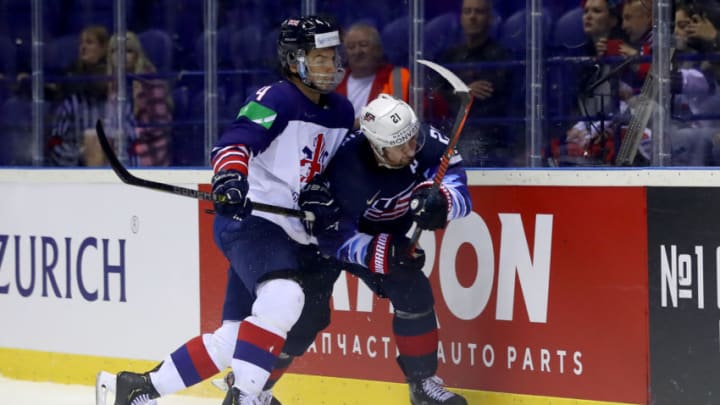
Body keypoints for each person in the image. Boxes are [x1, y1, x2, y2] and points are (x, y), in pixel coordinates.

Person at [106, 15, 353, 405]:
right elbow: (235, 143)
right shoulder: (275, 98)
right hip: (251, 220)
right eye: (319, 58)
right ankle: (247, 397)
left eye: (332, 56)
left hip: (295, 231)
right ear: (293, 61)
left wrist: (326, 198)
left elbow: (343, 169)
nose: (331, 66)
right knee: (285, 296)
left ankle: (138, 387)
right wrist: (230, 180)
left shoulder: (342, 111)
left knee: (236, 337)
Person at [437, 0, 513, 167]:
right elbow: (437, 93)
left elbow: (489, 93)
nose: (472, 17)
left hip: (490, 137)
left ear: (490, 18)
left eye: (478, 12)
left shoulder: (500, 56)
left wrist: (458, 93)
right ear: (461, 17)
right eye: (468, 12)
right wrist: (463, 92)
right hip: (453, 132)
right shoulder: (450, 56)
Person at [46, 25, 110, 166]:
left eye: (89, 42)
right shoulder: (70, 75)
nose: (83, 47)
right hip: (75, 154)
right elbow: (56, 138)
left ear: (103, 47)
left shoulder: (114, 79)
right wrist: (80, 155)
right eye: (81, 43)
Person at [335, 22, 410, 128]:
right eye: (351, 47)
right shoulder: (334, 81)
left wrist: (355, 124)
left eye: (363, 44)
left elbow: (394, 116)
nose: (357, 51)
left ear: (378, 49)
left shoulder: (397, 76)